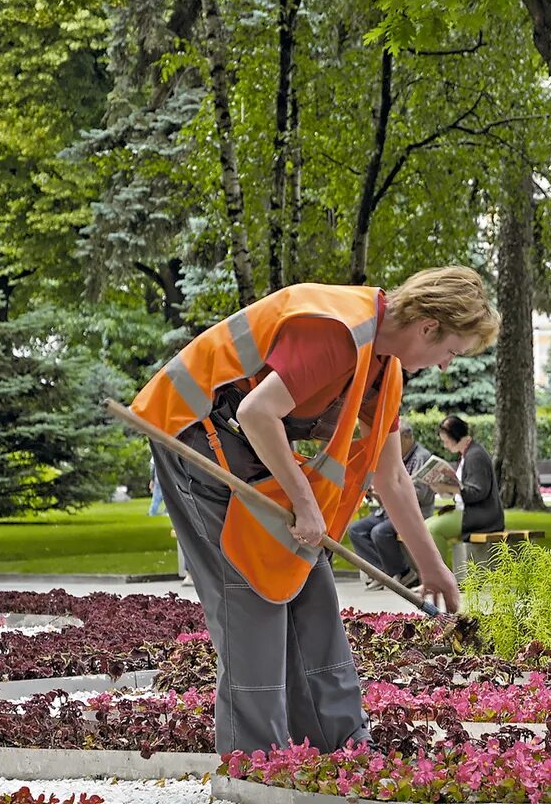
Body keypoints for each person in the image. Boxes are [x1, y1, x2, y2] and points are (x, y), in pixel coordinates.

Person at [130, 268, 499, 755]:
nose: (447, 365)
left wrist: (432, 568)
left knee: (310, 583)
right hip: (193, 432)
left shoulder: (382, 367)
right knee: (250, 594)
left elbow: (389, 478)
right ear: (428, 326)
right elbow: (256, 412)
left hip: (249, 446)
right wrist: (304, 503)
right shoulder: (339, 332)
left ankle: (339, 744)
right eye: (452, 351)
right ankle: (255, 760)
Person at [347, 419, 435, 590]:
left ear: (407, 437)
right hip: (386, 511)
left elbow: (420, 493)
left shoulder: (421, 457)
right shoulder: (395, 456)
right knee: (355, 529)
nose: (391, 442)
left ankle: (403, 572)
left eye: (395, 437)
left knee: (380, 532)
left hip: (411, 512)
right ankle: (381, 572)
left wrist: (390, 494)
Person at [424, 414, 504, 564]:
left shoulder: (475, 456)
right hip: (469, 511)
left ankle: (442, 578)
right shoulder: (467, 454)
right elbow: (463, 488)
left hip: (482, 515)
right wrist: (443, 489)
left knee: (433, 529)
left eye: (445, 441)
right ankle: (431, 577)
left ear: (454, 436)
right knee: (425, 526)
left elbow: (478, 492)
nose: (445, 445)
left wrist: (448, 487)